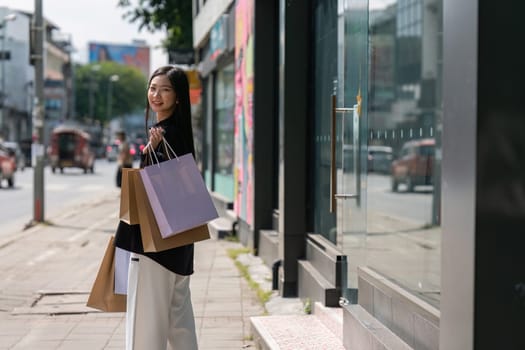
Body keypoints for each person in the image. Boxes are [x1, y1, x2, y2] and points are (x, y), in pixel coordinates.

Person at [114, 65, 198, 350]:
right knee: (180, 324)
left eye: (165, 89)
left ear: (178, 97)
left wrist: (153, 152)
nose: (156, 95)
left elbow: (157, 189)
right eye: (152, 88)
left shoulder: (164, 135)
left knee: (144, 329)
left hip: (154, 245)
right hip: (180, 243)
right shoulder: (180, 132)